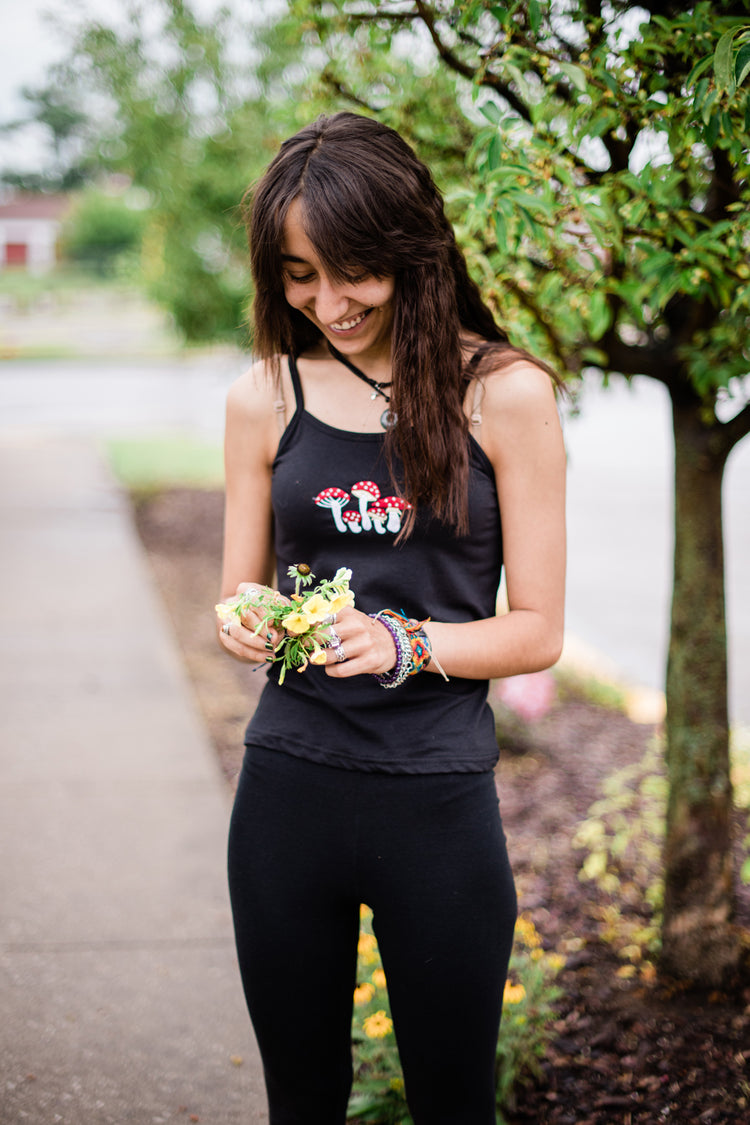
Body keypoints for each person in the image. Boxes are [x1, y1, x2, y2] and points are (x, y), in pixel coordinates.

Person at [218, 111, 566, 1125]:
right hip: (286, 795)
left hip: (438, 806)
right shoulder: (262, 397)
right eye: (296, 275)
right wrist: (242, 620)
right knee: (303, 1105)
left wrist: (406, 643)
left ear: (407, 248)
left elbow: (539, 627)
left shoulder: (503, 393)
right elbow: (242, 587)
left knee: (454, 1105)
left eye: (350, 272)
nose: (327, 302)